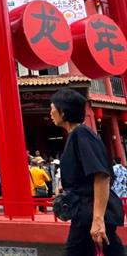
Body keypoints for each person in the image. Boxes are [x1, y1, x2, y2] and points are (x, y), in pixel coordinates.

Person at [50, 88, 124, 255]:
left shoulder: (81, 133)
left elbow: (101, 175)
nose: (51, 112)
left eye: (52, 107)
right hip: (85, 210)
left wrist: (97, 219)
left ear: (63, 111)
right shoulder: (77, 135)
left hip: (89, 212)